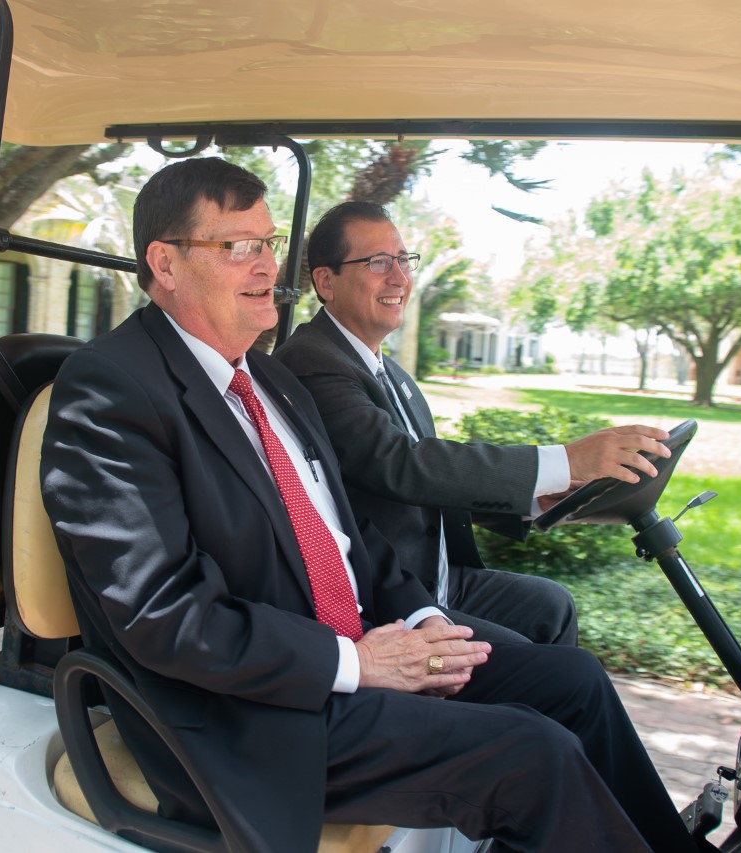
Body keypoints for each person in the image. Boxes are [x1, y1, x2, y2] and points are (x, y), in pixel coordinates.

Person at [41, 157, 697, 852]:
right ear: (164, 264)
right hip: (253, 708)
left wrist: (422, 619)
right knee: (532, 753)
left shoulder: (269, 378)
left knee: (575, 681)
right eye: (238, 247)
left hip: (353, 654)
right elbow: (163, 613)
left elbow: (351, 540)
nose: (267, 266)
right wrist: (358, 663)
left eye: (267, 243)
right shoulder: (109, 390)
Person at [274, 200, 671, 646]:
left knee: (552, 606)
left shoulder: (392, 374)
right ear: (326, 281)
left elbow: (434, 482)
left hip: (442, 577)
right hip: (390, 595)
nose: (400, 277)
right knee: (559, 674)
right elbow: (400, 465)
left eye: (404, 260)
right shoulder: (310, 361)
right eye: (378, 262)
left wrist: (545, 495)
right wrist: (565, 458)